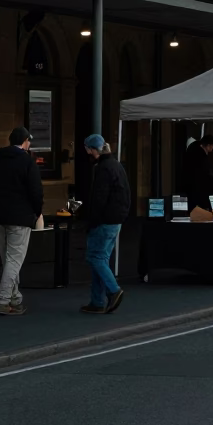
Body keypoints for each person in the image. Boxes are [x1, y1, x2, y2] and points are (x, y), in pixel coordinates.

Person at [0, 126, 43, 315]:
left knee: (7, 259)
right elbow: (36, 191)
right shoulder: (27, 162)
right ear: (25, 141)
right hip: (21, 216)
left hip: (0, 216)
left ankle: (14, 298)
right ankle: (3, 299)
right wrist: (37, 212)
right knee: (14, 260)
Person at [80, 134, 131, 314]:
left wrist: (91, 222)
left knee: (95, 258)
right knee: (101, 259)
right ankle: (96, 301)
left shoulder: (102, 169)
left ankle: (114, 290)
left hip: (104, 221)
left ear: (91, 150)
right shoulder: (117, 166)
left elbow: (99, 199)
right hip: (116, 220)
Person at [183, 134, 213, 212]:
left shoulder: (195, 153)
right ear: (209, 145)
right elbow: (202, 177)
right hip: (199, 194)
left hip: (194, 192)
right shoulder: (200, 157)